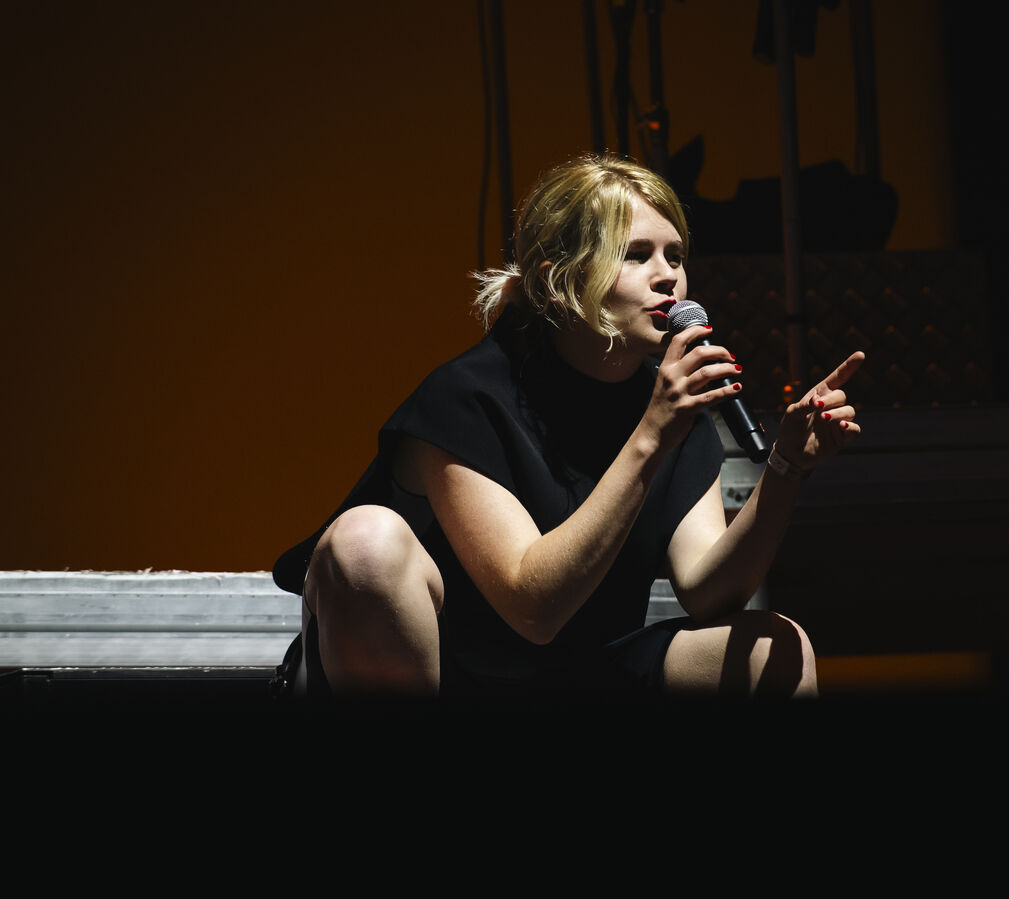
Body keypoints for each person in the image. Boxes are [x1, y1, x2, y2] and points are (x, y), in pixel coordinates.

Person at [271, 153, 864, 701]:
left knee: (775, 649)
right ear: (559, 280)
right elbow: (532, 609)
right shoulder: (469, 397)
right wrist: (652, 435)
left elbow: (710, 591)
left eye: (676, 256)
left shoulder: (669, 405)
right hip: (455, 677)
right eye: (635, 254)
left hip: (582, 675)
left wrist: (786, 469)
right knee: (365, 541)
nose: (667, 277)